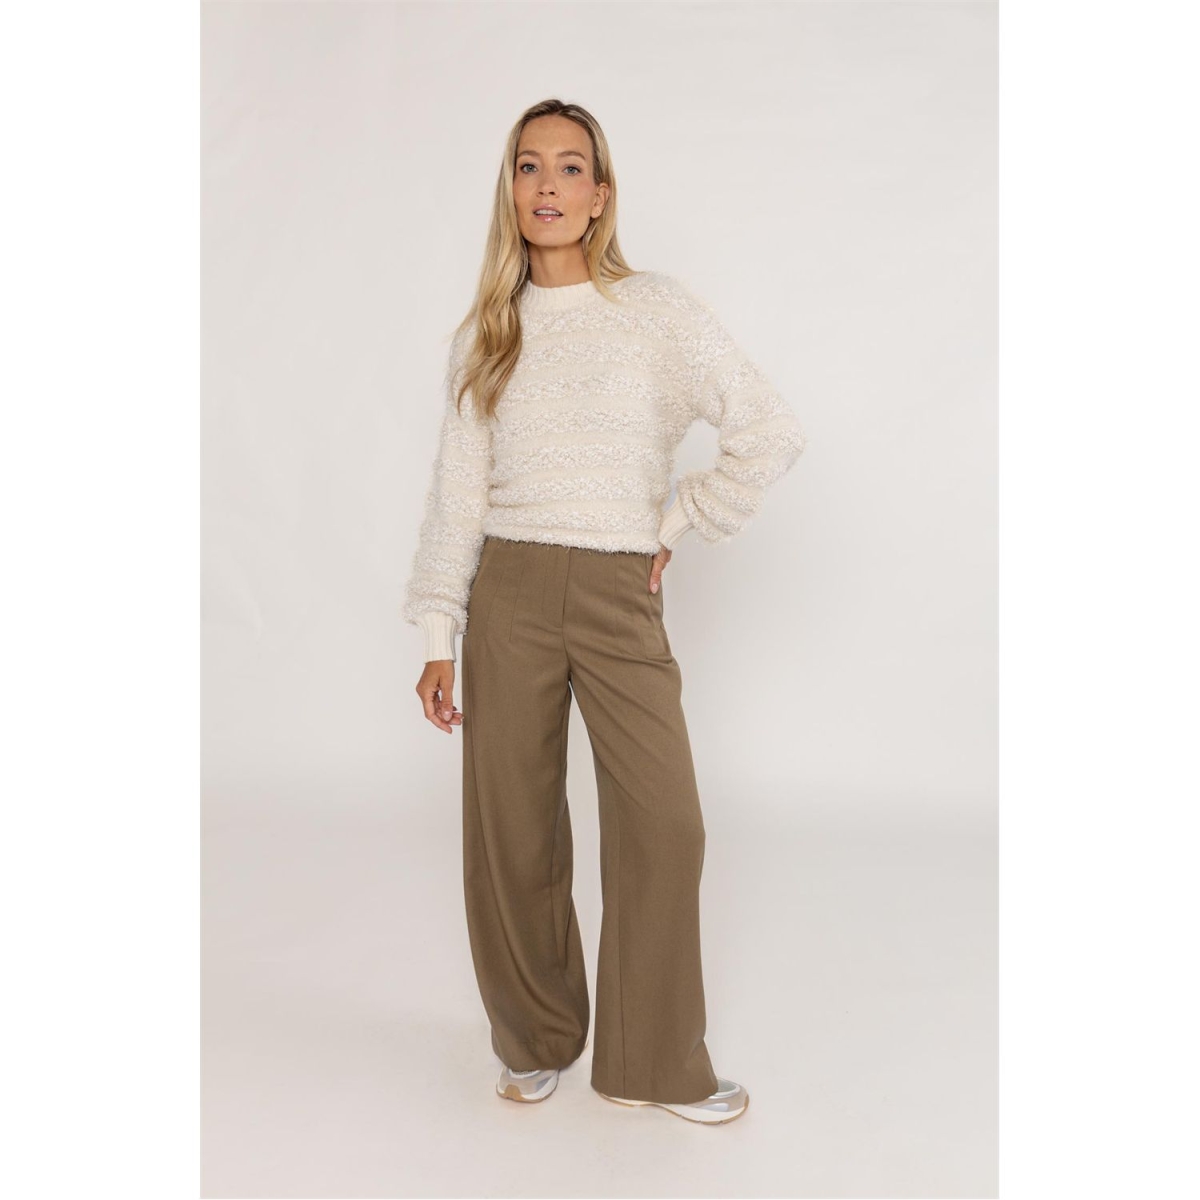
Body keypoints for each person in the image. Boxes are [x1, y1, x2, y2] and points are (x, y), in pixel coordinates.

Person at [402, 99, 806, 1125]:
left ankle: (654, 1062)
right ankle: (536, 1037)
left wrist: (681, 517)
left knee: (666, 824)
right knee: (512, 831)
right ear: (510, 191)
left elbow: (768, 428)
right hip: (509, 593)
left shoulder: (657, 313)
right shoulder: (488, 336)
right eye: (528, 165)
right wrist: (439, 632)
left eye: (570, 166)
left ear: (600, 194)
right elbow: (456, 495)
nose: (547, 184)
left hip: (621, 590)